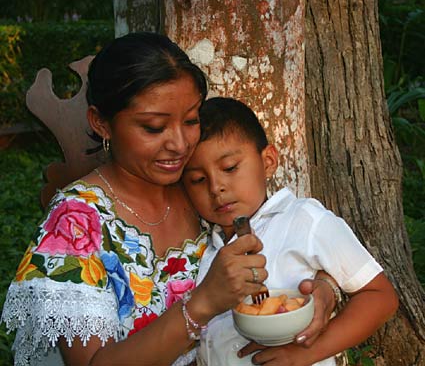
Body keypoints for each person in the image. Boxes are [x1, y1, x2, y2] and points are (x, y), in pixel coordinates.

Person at [1, 33, 336, 366]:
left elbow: (283, 236)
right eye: (153, 127)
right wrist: (201, 304)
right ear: (101, 123)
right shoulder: (75, 222)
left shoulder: (201, 189)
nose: (179, 144)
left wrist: (322, 287)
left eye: (191, 120)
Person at [182, 97, 399, 366]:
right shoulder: (204, 248)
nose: (216, 188)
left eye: (229, 168)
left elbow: (380, 297)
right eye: (198, 180)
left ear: (269, 161)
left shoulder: (305, 220)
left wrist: (306, 353)